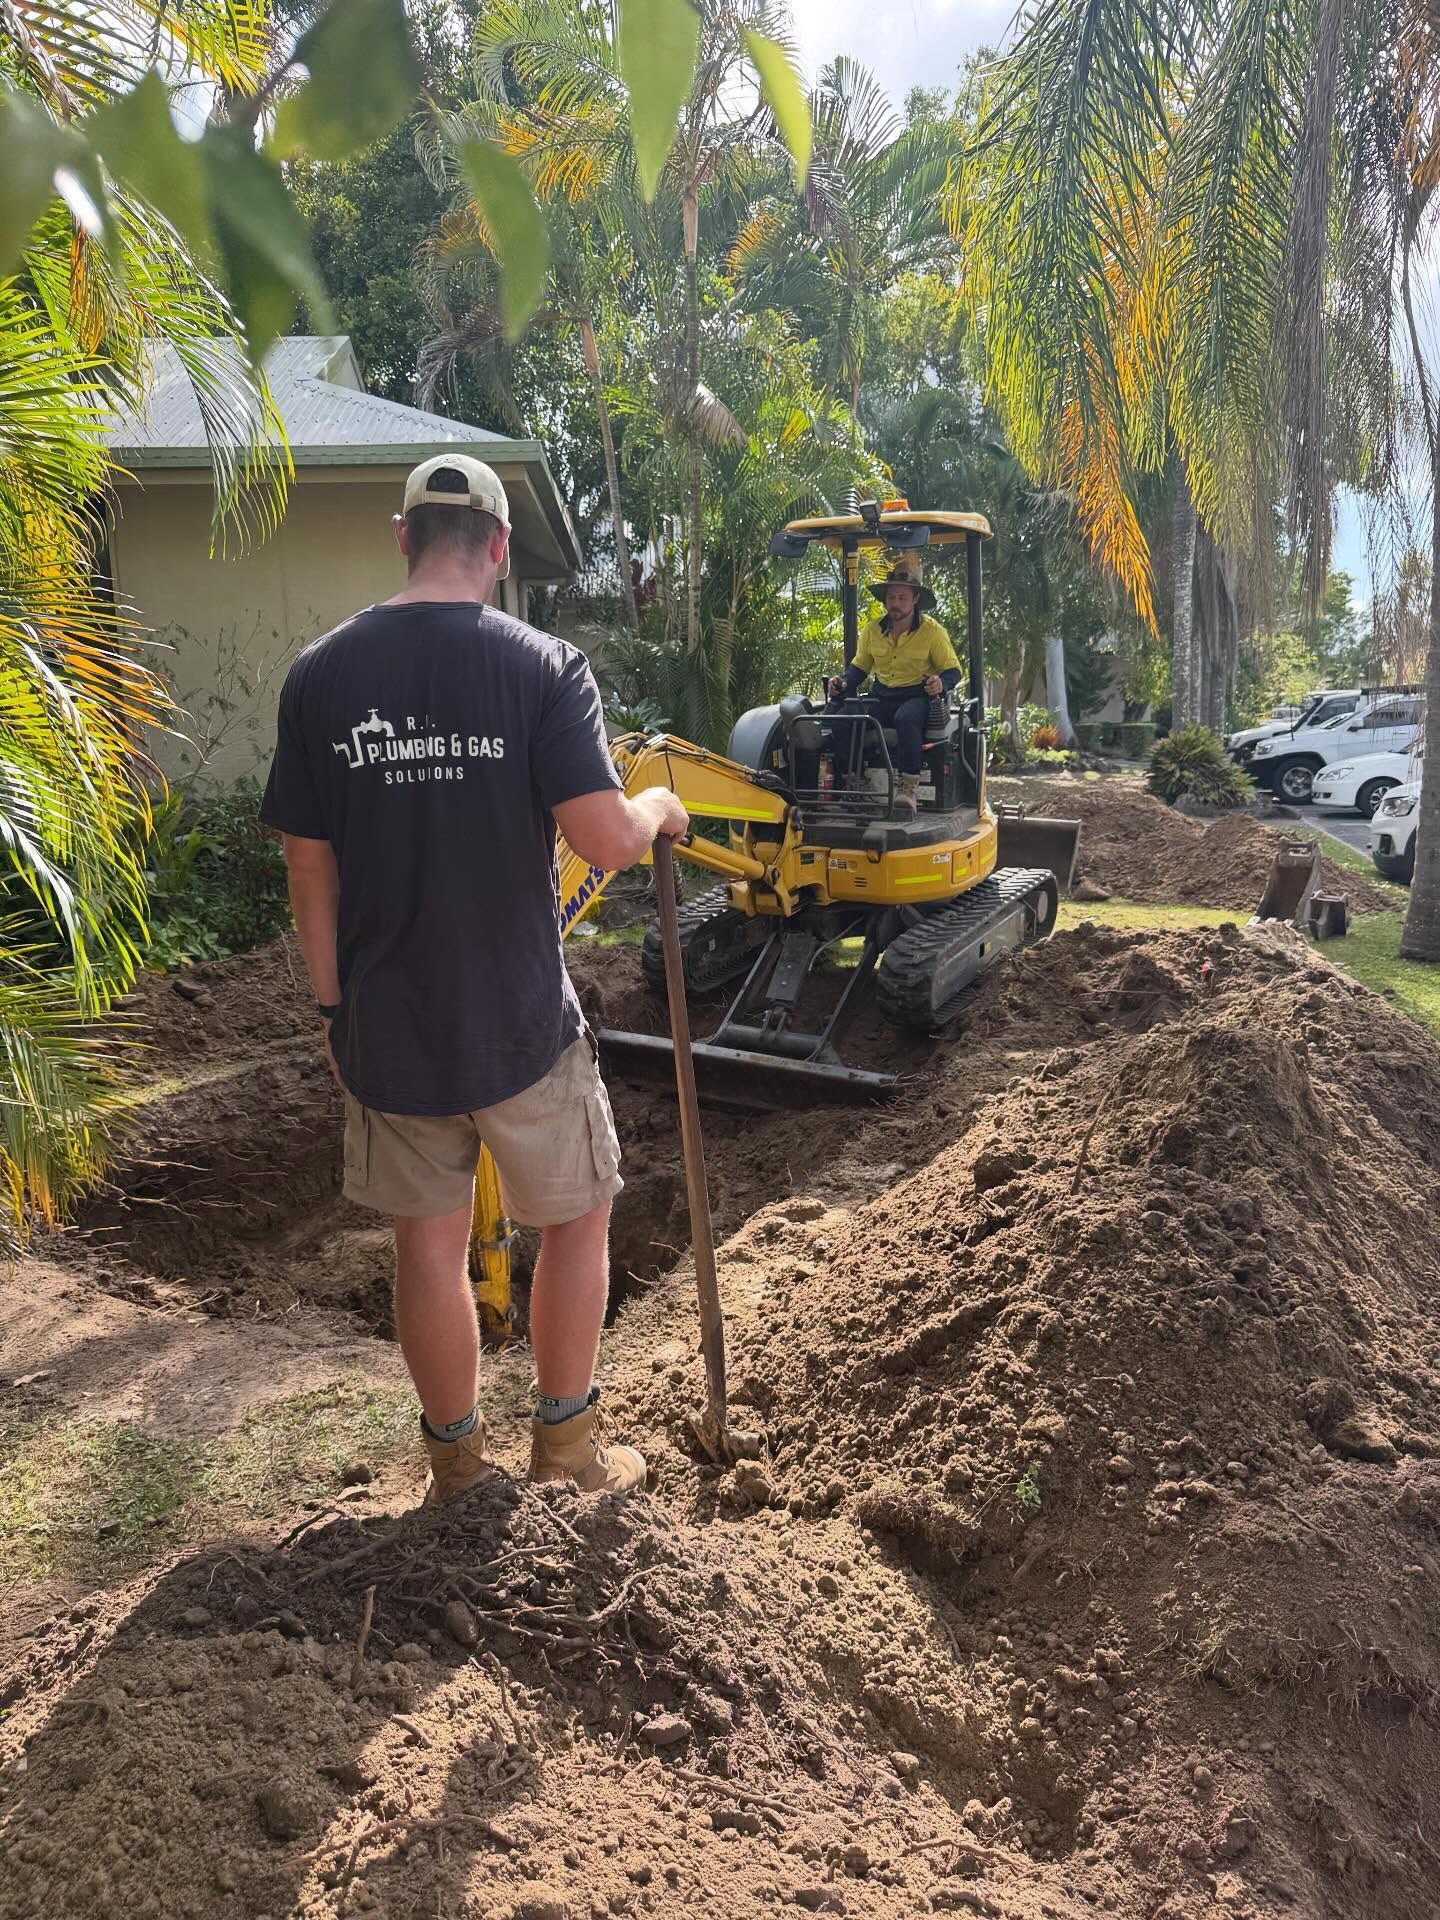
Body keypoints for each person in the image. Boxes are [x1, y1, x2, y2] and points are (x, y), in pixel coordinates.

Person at [260, 454, 688, 1505]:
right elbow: (604, 836)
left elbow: (307, 866)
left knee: (427, 1246)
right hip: (520, 1024)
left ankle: (455, 1467)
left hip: (389, 1025)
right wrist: (658, 809)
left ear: (403, 538)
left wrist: (331, 1007)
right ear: (497, 550)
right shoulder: (544, 668)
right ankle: (568, 1449)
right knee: (579, 1217)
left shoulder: (319, 675)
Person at [826, 561, 962, 813]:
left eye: (902, 597)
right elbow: (859, 667)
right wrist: (843, 683)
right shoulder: (872, 630)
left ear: (915, 599)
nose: (895, 603)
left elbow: (953, 670)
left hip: (917, 695)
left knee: (906, 718)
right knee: (844, 719)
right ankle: (852, 784)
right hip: (882, 694)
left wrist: (940, 683)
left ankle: (907, 789)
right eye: (891, 597)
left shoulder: (933, 632)